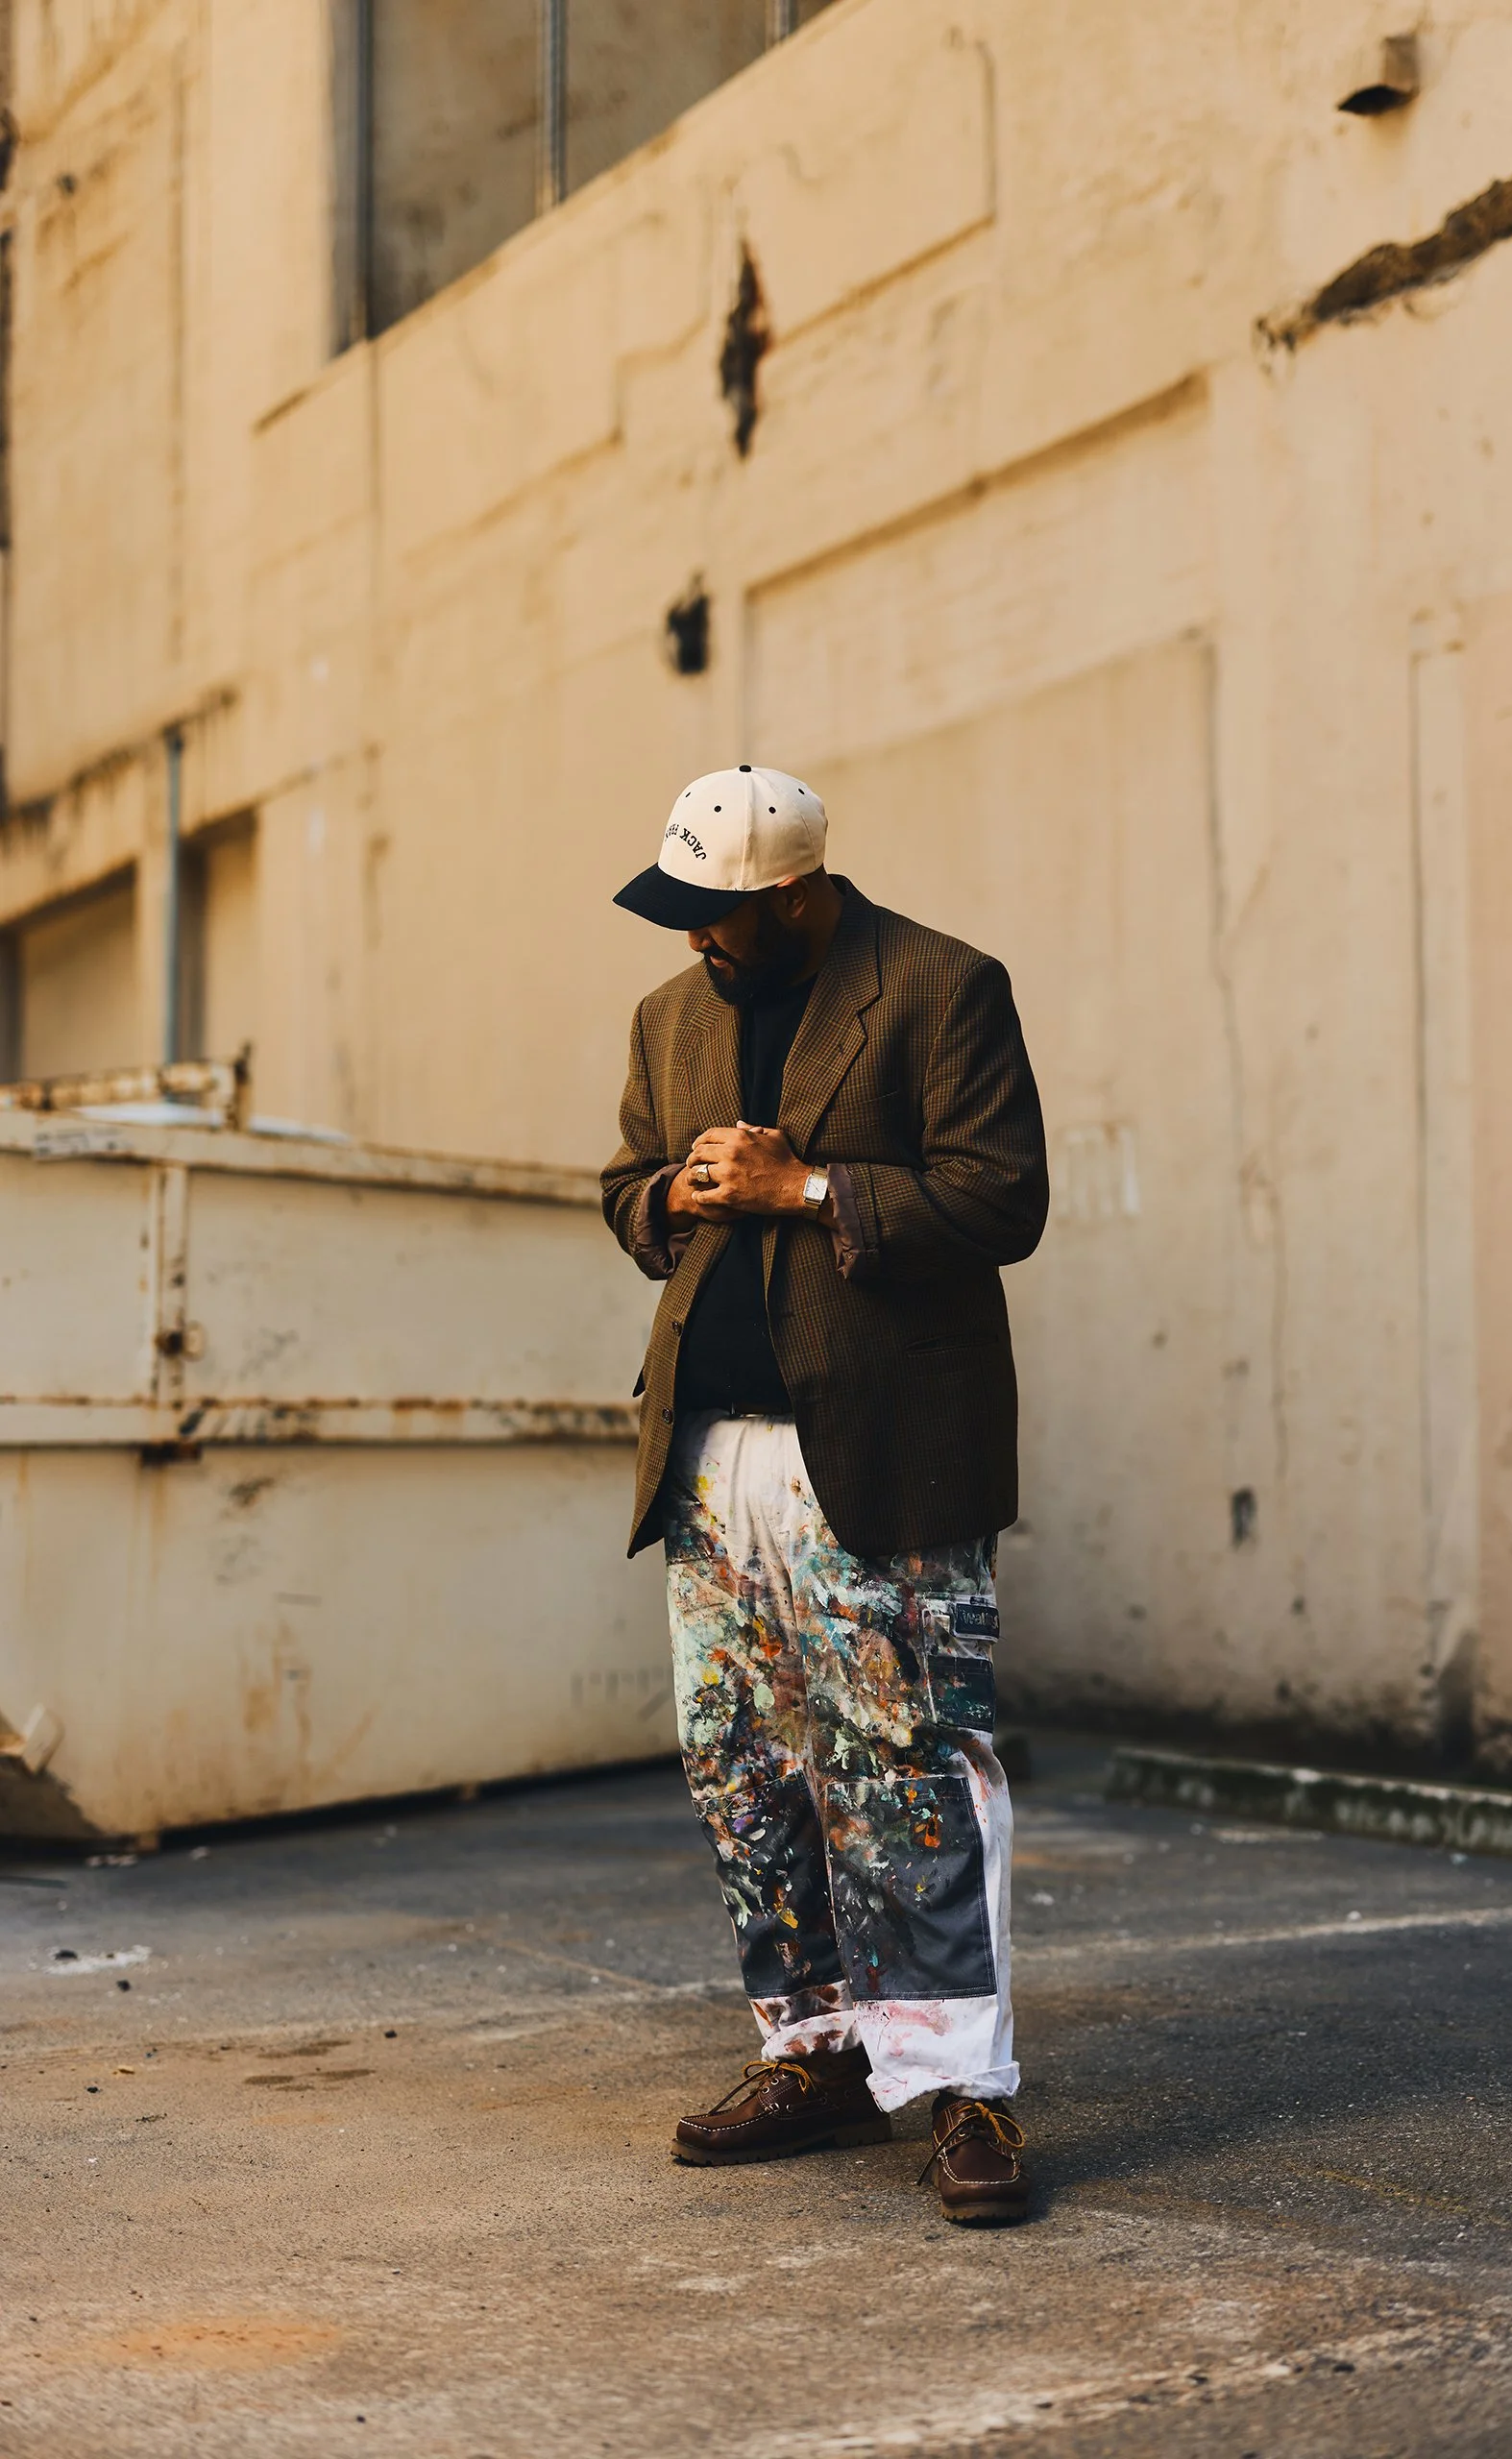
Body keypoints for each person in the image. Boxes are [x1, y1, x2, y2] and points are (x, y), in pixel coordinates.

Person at [601, 765, 1049, 2225]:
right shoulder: (670, 1018)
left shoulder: (941, 986)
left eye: (717, 913)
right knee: (740, 1762)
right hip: (709, 1455)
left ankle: (963, 2085)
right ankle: (815, 2049)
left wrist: (802, 1189)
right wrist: (672, 1196)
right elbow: (622, 1185)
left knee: (910, 1765)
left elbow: (1003, 1197)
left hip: (881, 1443)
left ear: (795, 895)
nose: (694, 938)